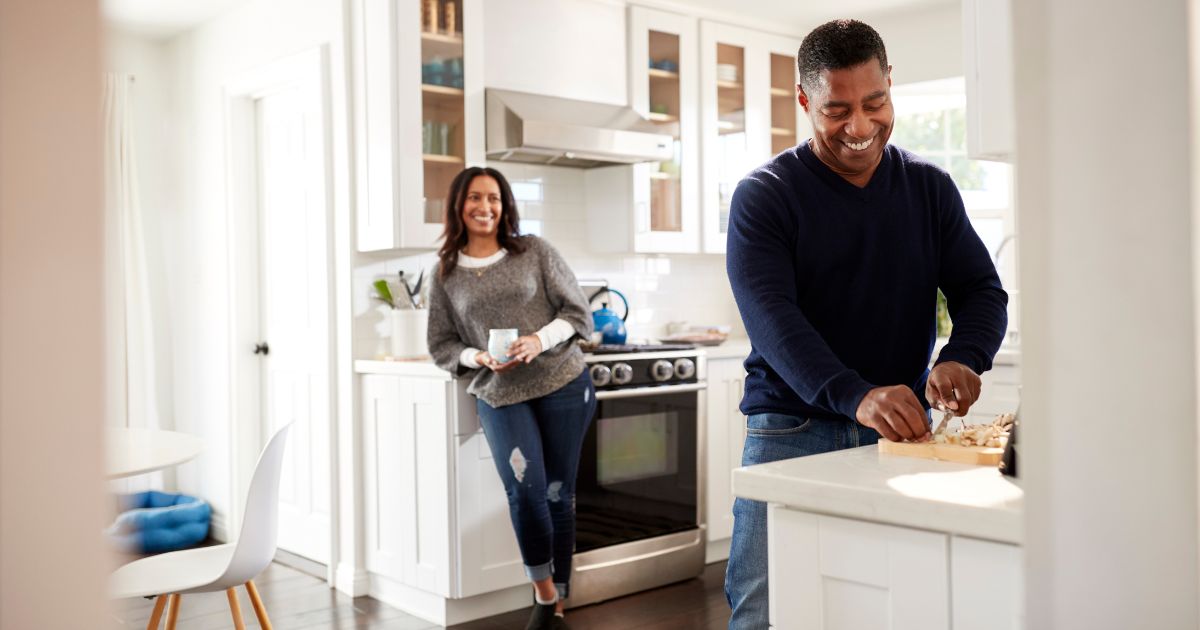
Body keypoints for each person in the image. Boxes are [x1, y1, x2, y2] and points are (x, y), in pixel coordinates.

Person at [722, 19, 1009, 629]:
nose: (859, 127)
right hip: (790, 431)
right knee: (764, 611)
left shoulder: (929, 188)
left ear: (890, 88)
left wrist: (965, 355)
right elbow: (775, 323)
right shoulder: (765, 196)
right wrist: (854, 394)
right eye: (837, 110)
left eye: (874, 103)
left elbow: (980, 288)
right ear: (804, 101)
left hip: (901, 434)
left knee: (887, 605)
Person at [427, 166, 595, 630]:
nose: (485, 207)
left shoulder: (535, 251)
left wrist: (538, 341)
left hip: (562, 382)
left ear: (505, 206)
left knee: (560, 495)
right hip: (500, 394)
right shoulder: (443, 272)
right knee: (525, 492)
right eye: (475, 198)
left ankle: (558, 604)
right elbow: (441, 345)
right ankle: (543, 593)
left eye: (494, 198)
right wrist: (477, 356)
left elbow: (577, 312)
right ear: (459, 205)